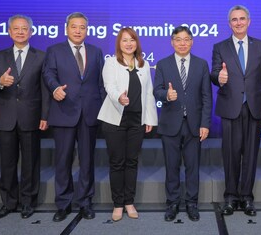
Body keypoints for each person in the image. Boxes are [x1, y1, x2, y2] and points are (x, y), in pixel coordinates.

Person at [210, 5, 261, 216]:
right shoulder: (220, 46)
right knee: (230, 154)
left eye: (242, 19)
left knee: (251, 155)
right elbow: (215, 73)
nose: (238, 22)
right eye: (234, 20)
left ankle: (246, 197)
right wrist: (219, 78)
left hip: (255, 108)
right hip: (230, 108)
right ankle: (230, 196)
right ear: (229, 24)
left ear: (249, 21)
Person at [0, 15, 49, 220]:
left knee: (30, 163)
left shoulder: (41, 56)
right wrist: (0, 80)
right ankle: (9, 203)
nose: (21, 32)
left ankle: (28, 202)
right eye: (16, 29)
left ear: (31, 32)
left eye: (24, 29)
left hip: (31, 116)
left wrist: (45, 115)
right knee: (8, 163)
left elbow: (45, 90)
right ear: (9, 32)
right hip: (6, 117)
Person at [42, 12, 105, 222]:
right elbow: (48, 74)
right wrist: (54, 88)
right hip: (63, 112)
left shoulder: (96, 52)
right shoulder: (54, 51)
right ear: (66, 28)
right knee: (63, 161)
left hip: (89, 114)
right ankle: (63, 203)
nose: (78, 31)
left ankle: (85, 202)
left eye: (82, 27)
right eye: (74, 27)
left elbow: (100, 83)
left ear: (87, 30)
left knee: (87, 161)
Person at [97, 27, 157, 222]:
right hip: (115, 119)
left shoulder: (144, 64)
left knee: (132, 162)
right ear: (119, 44)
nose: (129, 43)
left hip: (136, 121)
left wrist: (149, 119)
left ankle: (129, 202)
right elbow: (109, 87)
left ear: (136, 43)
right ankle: (118, 204)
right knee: (117, 163)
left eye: (132, 40)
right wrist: (119, 98)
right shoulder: (111, 63)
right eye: (125, 40)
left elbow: (148, 93)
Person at [153, 26, 212, 222]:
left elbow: (206, 96)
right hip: (170, 123)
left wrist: (205, 123)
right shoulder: (163, 64)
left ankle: (191, 203)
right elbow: (157, 90)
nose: (182, 43)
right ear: (172, 42)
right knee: (172, 166)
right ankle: (172, 203)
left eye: (186, 39)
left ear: (192, 41)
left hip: (194, 124)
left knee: (193, 167)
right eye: (178, 39)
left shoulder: (201, 64)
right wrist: (166, 95)